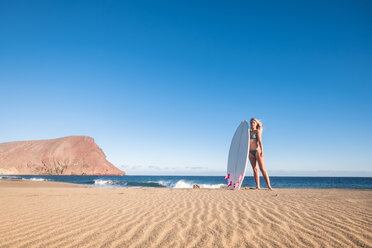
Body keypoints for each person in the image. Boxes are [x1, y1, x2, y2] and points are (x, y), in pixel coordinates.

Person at [249, 118, 272, 190]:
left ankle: (269, 186)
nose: (252, 124)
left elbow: (260, 141)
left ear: (256, 124)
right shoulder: (248, 132)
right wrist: (243, 124)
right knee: (255, 169)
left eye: (254, 123)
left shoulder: (257, 131)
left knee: (262, 169)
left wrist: (262, 151)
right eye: (251, 123)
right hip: (250, 152)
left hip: (257, 151)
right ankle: (258, 186)